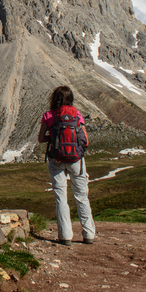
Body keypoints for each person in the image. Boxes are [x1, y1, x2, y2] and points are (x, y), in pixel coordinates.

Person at [38, 85, 96, 245]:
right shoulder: (77, 114)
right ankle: (89, 234)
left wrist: (55, 140)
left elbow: (41, 138)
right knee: (82, 196)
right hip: (76, 160)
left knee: (61, 197)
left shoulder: (48, 115)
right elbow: (84, 139)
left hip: (56, 160)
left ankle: (65, 236)